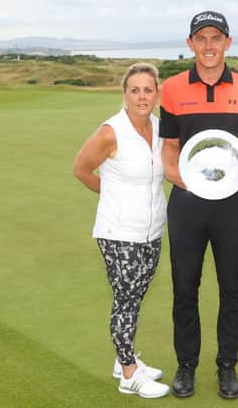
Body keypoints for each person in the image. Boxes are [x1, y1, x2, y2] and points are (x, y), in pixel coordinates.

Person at [159, 11, 238, 399]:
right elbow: (170, 148)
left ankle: (227, 366)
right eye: (201, 38)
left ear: (228, 43)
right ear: (190, 44)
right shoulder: (171, 89)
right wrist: (178, 177)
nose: (208, 45)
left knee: (231, 287)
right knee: (184, 287)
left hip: (231, 205)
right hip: (187, 203)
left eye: (216, 38)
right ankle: (186, 365)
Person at [73, 62, 169, 399]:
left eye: (148, 90)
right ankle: (128, 373)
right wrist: (112, 194)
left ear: (156, 93)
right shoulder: (110, 131)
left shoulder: (160, 128)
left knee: (136, 296)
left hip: (153, 230)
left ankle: (122, 359)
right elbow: (81, 169)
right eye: (135, 90)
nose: (142, 96)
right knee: (126, 300)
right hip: (118, 233)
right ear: (124, 94)